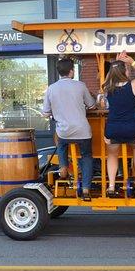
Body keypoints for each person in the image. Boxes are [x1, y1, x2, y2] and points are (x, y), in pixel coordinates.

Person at [42, 58, 96, 201]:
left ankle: (63, 167)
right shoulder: (81, 85)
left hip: (64, 131)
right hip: (82, 131)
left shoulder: (51, 88)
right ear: (71, 71)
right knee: (86, 156)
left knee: (61, 143)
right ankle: (85, 189)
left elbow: (46, 113)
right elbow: (91, 105)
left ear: (59, 72)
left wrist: (56, 113)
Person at [103, 51, 135, 196]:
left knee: (112, 155)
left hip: (113, 129)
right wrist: (132, 61)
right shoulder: (133, 86)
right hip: (131, 129)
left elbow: (112, 74)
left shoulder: (107, 87)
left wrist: (118, 64)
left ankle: (111, 185)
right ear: (125, 71)